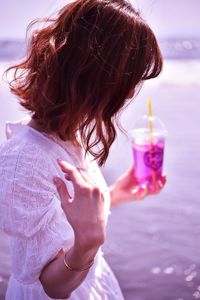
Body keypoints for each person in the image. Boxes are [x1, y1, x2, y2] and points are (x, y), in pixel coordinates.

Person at [0, 0, 166, 299]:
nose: (131, 92)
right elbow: (51, 285)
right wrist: (89, 243)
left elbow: (60, 220)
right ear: (99, 76)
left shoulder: (65, 132)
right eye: (131, 78)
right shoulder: (25, 159)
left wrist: (113, 195)